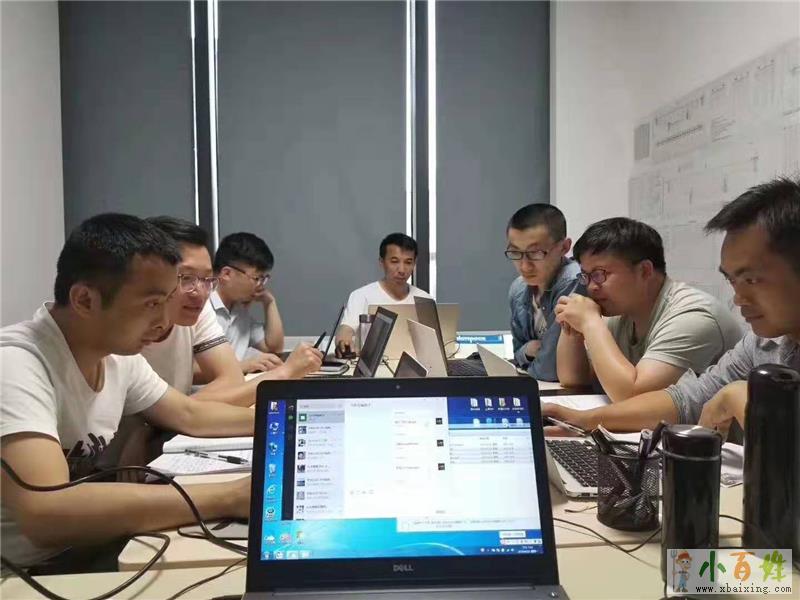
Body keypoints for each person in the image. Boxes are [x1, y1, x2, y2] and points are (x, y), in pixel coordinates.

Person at [0, 214, 253, 568]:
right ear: (85, 300)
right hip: (27, 573)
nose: (163, 321)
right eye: (151, 304)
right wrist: (231, 496)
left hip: (90, 546)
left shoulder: (117, 356)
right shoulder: (15, 363)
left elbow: (190, 414)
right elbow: (47, 512)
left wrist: (286, 421)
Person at [542, 177, 800, 434]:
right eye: (732, 280)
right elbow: (686, 399)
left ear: (644, 271)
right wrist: (584, 420)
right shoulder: (762, 344)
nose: (738, 298)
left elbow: (633, 393)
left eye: (751, 280)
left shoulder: (696, 316)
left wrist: (745, 401)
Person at [555, 217, 742, 402]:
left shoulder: (694, 317)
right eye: (586, 276)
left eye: (599, 274)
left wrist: (590, 322)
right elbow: (573, 380)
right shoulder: (620, 310)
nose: (591, 287)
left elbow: (633, 398)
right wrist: (572, 328)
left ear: (644, 270)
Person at [142, 217, 321, 406]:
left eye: (207, 279)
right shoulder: (128, 337)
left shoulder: (218, 312)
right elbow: (177, 408)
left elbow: (236, 374)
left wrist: (270, 302)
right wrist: (283, 373)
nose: (200, 293)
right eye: (186, 277)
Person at [506, 203, 585, 381]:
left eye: (535, 253)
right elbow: (518, 354)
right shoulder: (518, 288)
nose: (524, 266)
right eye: (515, 252)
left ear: (564, 247)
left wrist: (529, 358)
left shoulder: (573, 281)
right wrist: (527, 351)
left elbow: (550, 370)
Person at [335, 233, 431, 356]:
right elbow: (346, 329)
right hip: (374, 365)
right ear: (382, 262)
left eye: (408, 262)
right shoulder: (361, 296)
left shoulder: (424, 299)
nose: (402, 270)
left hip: (411, 364)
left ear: (414, 264)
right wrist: (344, 342)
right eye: (394, 261)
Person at [211, 232, 285, 374]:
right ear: (226, 274)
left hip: (237, 385)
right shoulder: (199, 308)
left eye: (263, 279)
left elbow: (273, 348)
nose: (260, 285)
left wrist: (269, 302)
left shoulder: (239, 310)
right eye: (257, 278)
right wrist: (242, 366)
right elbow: (187, 369)